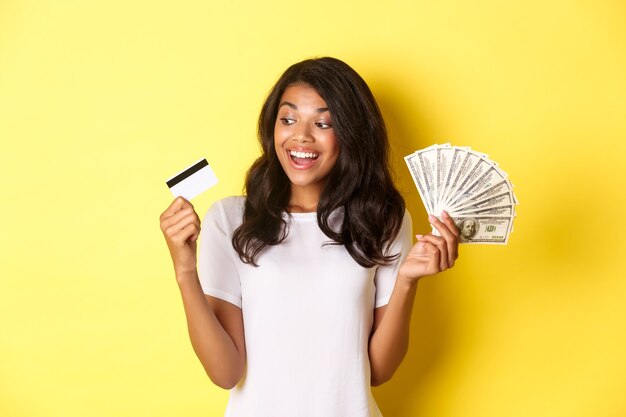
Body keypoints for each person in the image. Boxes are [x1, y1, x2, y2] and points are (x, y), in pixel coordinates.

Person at [159, 57, 460, 417]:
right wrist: (184, 271)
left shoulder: (383, 220)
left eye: (322, 123)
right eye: (288, 119)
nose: (301, 135)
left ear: (351, 134)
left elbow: (378, 371)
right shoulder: (230, 219)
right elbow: (225, 373)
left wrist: (408, 282)